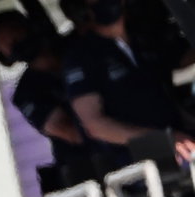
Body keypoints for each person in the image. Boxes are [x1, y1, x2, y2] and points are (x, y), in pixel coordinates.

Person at [63, 0, 195, 170]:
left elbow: (182, 58)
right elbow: (94, 124)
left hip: (181, 137)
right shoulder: (81, 57)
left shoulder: (143, 38)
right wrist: (163, 140)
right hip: (139, 159)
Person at [0, 10, 95, 187]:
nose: (13, 40)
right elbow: (67, 130)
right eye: (5, 40)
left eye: (15, 30)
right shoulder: (26, 92)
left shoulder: (76, 50)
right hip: (86, 167)